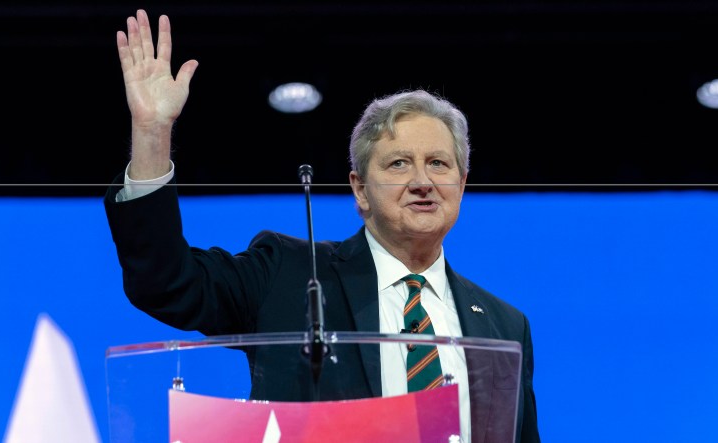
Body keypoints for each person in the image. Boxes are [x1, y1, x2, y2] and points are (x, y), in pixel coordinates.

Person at [104, 9, 540, 443]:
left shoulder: (504, 327)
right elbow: (166, 283)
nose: (422, 181)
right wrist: (151, 134)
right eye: (399, 164)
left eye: (439, 164)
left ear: (461, 184)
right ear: (360, 189)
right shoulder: (288, 276)